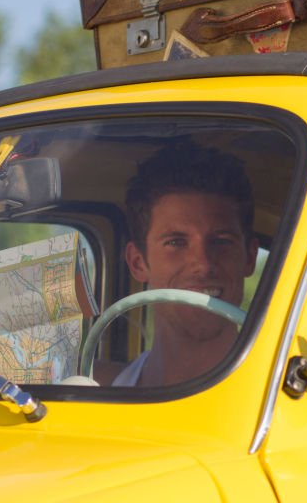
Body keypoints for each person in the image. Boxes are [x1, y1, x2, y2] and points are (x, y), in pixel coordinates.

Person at [110, 143, 259, 387]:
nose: (203, 263)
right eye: (176, 242)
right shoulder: (97, 395)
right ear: (138, 263)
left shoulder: (287, 399)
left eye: (222, 241)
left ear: (250, 257)